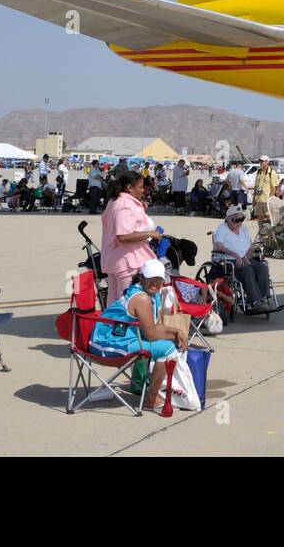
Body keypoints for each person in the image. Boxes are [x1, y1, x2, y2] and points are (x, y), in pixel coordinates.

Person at [88, 259, 188, 410]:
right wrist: (173, 335)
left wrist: (175, 331)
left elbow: (152, 328)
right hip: (107, 343)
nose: (155, 283)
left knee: (168, 346)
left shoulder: (151, 295)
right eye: (151, 279)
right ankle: (151, 400)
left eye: (159, 280)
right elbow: (151, 336)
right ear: (141, 277)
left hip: (121, 339)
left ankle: (151, 391)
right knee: (168, 349)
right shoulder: (141, 298)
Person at [100, 168, 163, 302]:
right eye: (140, 187)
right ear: (129, 187)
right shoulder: (125, 205)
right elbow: (123, 236)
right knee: (128, 303)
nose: (142, 190)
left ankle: (112, 323)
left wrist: (138, 208)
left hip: (116, 259)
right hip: (127, 262)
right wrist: (151, 234)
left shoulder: (115, 201)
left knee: (114, 303)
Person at [212, 205, 275, 311]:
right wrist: (236, 256)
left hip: (245, 258)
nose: (240, 223)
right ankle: (255, 301)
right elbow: (219, 246)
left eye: (242, 220)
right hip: (228, 260)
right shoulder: (222, 228)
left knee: (263, 267)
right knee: (247, 270)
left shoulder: (244, 228)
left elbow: (250, 246)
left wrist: (246, 257)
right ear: (229, 219)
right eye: (237, 220)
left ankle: (264, 298)